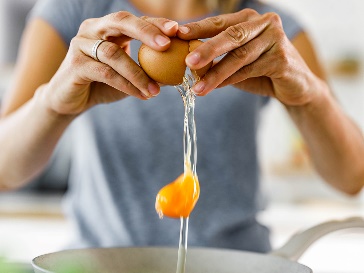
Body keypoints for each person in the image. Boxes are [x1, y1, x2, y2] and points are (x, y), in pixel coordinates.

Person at [0, 0, 363, 252]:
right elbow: (5, 170)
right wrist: (53, 104)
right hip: (103, 261)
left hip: (233, 264)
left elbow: (351, 177)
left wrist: (310, 97)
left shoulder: (268, 27)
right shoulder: (78, 15)